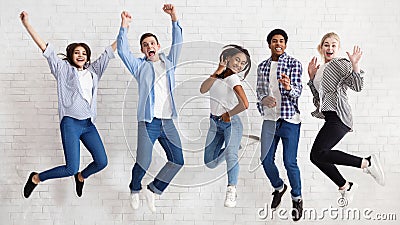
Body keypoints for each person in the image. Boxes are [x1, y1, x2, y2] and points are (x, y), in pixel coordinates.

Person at [20, 11, 116, 198]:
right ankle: (36, 178)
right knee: (70, 167)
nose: (80, 55)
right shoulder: (63, 70)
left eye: (84, 53)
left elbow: (110, 52)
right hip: (71, 123)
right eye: (76, 52)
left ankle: (81, 177)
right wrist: (27, 24)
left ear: (88, 57)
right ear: (71, 55)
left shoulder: (94, 71)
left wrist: (124, 28)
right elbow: (45, 48)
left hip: (88, 124)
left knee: (102, 161)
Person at [117, 4, 184, 213]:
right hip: (148, 121)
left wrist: (174, 17)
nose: (149, 46)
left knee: (177, 161)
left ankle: (154, 189)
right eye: (145, 45)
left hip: (168, 121)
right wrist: (124, 27)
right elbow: (122, 50)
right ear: (143, 50)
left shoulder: (169, 62)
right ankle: (135, 188)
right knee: (143, 162)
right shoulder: (139, 66)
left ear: (158, 45)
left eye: (152, 43)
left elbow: (178, 41)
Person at [307, 32, 385, 206]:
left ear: (338, 48)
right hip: (330, 116)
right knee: (316, 156)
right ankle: (345, 186)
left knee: (319, 153)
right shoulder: (321, 69)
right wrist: (312, 78)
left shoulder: (340, 64)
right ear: (321, 48)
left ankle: (367, 163)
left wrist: (355, 65)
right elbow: (318, 99)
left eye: (334, 45)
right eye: (326, 44)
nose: (330, 48)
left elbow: (357, 86)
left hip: (339, 116)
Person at [256, 29, 303, 221]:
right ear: (269, 44)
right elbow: (259, 92)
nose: (278, 43)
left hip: (290, 119)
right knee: (265, 160)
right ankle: (279, 187)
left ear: (285, 44)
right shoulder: (262, 67)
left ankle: (297, 197)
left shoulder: (294, 64)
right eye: (274, 41)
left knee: (289, 162)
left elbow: (298, 92)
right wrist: (264, 99)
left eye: (282, 41)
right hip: (269, 119)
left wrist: (288, 87)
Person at [200, 44, 251, 207]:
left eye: (243, 63)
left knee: (231, 155)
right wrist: (218, 70)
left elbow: (244, 104)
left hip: (231, 123)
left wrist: (228, 114)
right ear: (227, 58)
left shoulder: (234, 79)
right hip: (214, 123)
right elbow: (203, 89)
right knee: (210, 162)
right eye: (237, 60)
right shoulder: (218, 77)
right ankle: (236, 146)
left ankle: (231, 189)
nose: (240, 65)